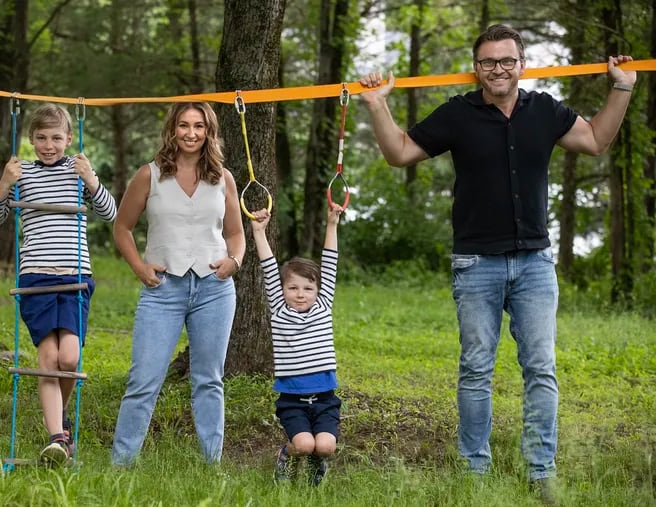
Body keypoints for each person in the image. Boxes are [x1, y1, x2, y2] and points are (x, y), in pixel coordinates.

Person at [359, 24, 636, 503]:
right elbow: (399, 153)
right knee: (475, 370)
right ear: (477, 68)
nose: (498, 69)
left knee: (541, 369)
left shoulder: (544, 110)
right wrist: (378, 104)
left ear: (521, 64)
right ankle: (473, 471)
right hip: (476, 264)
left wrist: (623, 86)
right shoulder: (457, 114)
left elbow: (595, 141)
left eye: (507, 60)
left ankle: (541, 471)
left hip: (534, 263)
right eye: (488, 62)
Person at [0, 102, 117, 466]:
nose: (48, 145)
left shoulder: (78, 172)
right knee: (48, 358)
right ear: (30, 139)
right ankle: (57, 438)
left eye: (56, 137)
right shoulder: (21, 173)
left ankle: (60, 421)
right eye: (41, 137)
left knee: (69, 357)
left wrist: (92, 180)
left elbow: (110, 214)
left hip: (75, 276)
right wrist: (3, 184)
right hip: (36, 276)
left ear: (69, 139)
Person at [111, 102, 245, 466]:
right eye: (183, 125)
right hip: (162, 290)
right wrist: (139, 266)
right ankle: (121, 465)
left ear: (208, 131)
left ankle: (211, 464)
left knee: (209, 381)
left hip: (214, 290)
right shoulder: (149, 176)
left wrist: (234, 261)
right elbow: (121, 228)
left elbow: (236, 234)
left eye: (198, 126)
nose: (190, 133)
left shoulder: (223, 178)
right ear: (172, 129)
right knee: (144, 380)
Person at [250, 203, 343, 486]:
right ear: (282, 290)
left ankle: (318, 464)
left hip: (325, 398)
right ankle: (284, 455)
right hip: (292, 400)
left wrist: (331, 224)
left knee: (325, 447)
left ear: (318, 290)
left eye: (307, 288)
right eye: (292, 287)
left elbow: (330, 261)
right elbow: (268, 266)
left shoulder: (323, 305)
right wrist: (258, 231)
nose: (300, 294)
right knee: (302, 444)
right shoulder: (278, 309)